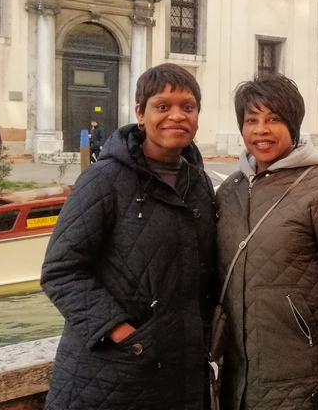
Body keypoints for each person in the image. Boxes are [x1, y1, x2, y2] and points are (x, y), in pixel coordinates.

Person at [41, 63, 217, 410]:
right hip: (113, 372)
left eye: (188, 107)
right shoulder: (103, 179)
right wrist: (122, 333)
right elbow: (61, 271)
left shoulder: (198, 183)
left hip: (180, 371)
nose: (176, 116)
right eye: (162, 106)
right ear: (140, 113)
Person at [216, 74, 318, 410]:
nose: (261, 130)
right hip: (237, 377)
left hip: (302, 376)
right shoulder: (230, 192)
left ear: (293, 125)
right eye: (251, 120)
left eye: (273, 119)